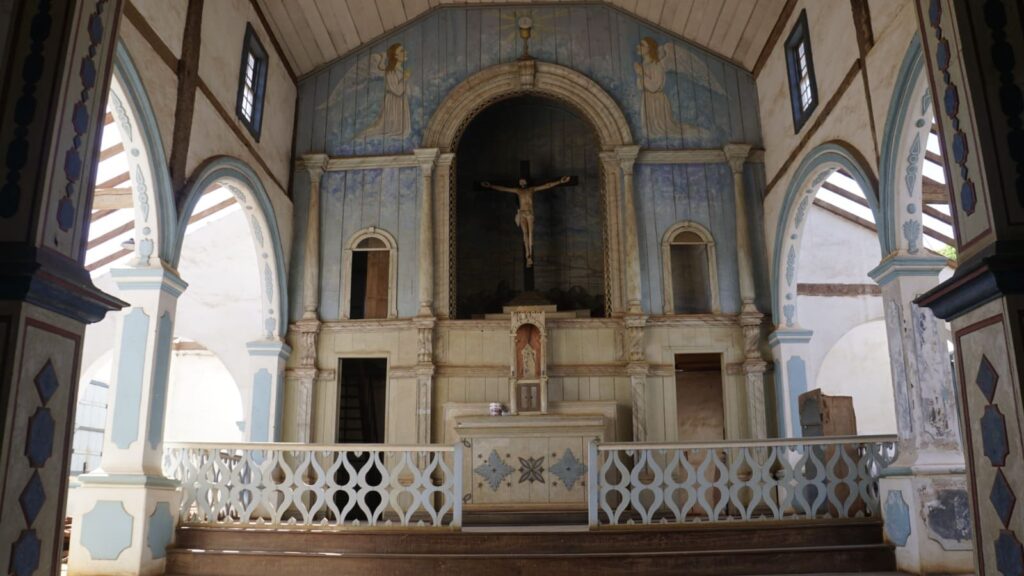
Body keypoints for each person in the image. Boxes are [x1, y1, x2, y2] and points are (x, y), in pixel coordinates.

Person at [480, 175, 570, 267]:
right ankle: (528, 256)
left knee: (531, 233)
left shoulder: (532, 189)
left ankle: (530, 254)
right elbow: (504, 189)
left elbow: (547, 185)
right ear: (519, 183)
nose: (522, 182)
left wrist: (560, 182)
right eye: (520, 181)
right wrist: (490, 186)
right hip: (522, 213)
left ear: (526, 182)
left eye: (523, 181)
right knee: (525, 233)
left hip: (530, 213)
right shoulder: (518, 191)